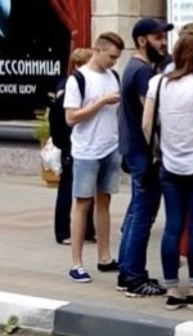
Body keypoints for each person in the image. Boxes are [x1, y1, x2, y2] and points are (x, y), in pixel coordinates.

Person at [142, 31, 193, 310]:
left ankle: (172, 289)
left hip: (170, 163)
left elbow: (146, 125)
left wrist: (158, 150)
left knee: (173, 225)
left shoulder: (157, 83)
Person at [117, 18, 172, 297]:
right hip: (145, 153)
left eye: (164, 37)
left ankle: (126, 271)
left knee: (136, 211)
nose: (163, 43)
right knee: (143, 214)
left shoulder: (138, 67)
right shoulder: (141, 73)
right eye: (158, 37)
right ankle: (135, 278)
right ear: (142, 41)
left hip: (136, 151)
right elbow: (152, 115)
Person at [64, 32, 125, 283]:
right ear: (97, 50)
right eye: (111, 56)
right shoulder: (78, 79)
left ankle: (105, 257)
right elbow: (71, 118)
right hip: (86, 150)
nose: (113, 61)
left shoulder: (114, 77)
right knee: (82, 203)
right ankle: (76, 263)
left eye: (117, 58)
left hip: (110, 146)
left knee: (105, 201)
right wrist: (100, 102)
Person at [50, 48, 96, 246]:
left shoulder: (85, 88)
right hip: (71, 147)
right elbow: (56, 121)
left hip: (85, 146)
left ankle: (86, 230)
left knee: (88, 190)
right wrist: (63, 145)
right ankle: (62, 231)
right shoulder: (68, 89)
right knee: (68, 188)